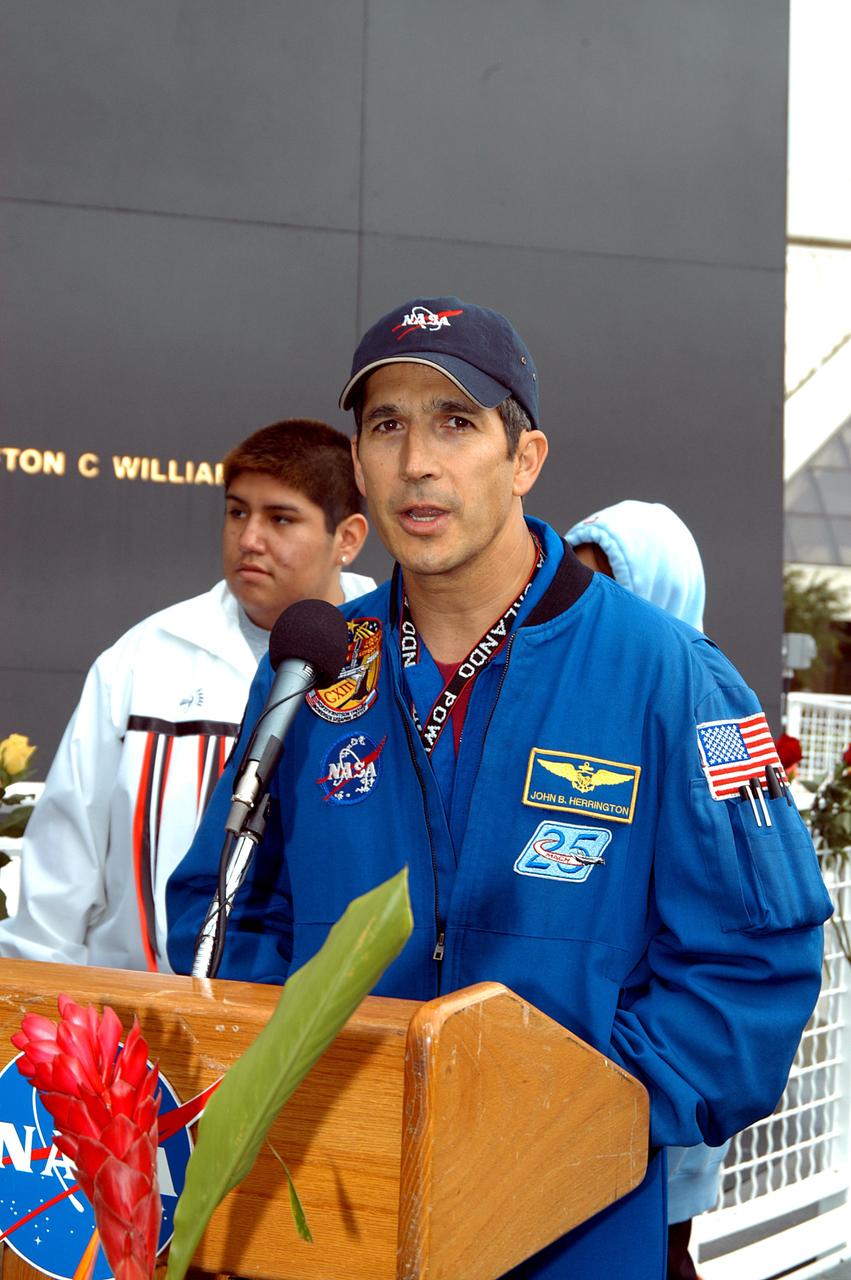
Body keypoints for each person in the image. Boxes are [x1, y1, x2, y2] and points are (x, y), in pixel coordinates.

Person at [167, 298, 831, 1279]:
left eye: (455, 421)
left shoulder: (668, 675)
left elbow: (754, 960)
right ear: (357, 464)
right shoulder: (317, 669)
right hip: (329, 1225)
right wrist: (300, 1092)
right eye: (385, 424)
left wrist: (578, 1104)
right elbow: (223, 911)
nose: (417, 462)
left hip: (570, 1224)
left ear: (524, 459)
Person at [0, 418, 373, 973]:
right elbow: (57, 886)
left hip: (323, 1036)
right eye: (237, 511)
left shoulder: (389, 658)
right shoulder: (141, 661)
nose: (249, 538)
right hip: (136, 1038)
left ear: (346, 538)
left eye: (281, 518)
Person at [566, 500, 722, 1280]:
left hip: (647, 1105)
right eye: (578, 586)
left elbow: (739, 933)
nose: (593, 613)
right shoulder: (559, 704)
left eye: (611, 590)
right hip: (550, 1104)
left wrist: (641, 1075)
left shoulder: (716, 711)